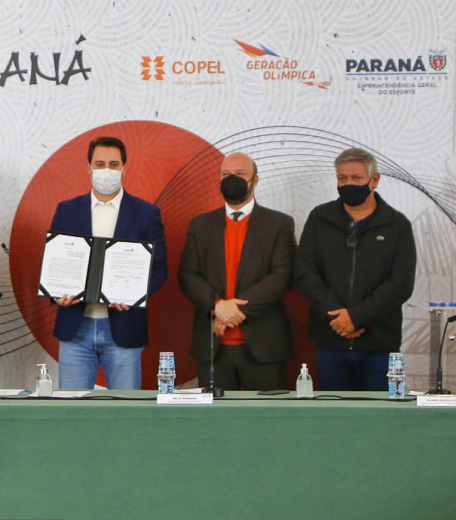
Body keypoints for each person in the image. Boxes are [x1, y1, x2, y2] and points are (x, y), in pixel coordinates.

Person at [50, 136, 167, 390]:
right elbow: (53, 263)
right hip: (75, 327)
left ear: (125, 168)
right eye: (99, 163)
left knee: (125, 414)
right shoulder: (66, 210)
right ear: (88, 167)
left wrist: (134, 294)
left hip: (124, 328)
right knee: (72, 413)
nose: (107, 170)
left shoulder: (146, 214)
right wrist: (56, 294)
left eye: (114, 164)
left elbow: (158, 269)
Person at [296, 148, 416, 390]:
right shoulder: (320, 218)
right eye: (342, 178)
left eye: (356, 178)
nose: (348, 184)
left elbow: (400, 283)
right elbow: (305, 272)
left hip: (380, 345)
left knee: (381, 421)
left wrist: (357, 316)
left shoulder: (397, 224)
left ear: (375, 180)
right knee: (334, 420)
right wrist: (337, 316)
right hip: (331, 340)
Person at [178, 153, 296, 390]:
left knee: (265, 422)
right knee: (215, 423)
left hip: (264, 346)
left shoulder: (279, 224)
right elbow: (188, 275)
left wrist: (233, 310)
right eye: (226, 175)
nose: (232, 179)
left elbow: (282, 276)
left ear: (255, 180)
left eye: (240, 174)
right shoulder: (200, 225)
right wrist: (217, 305)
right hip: (213, 347)